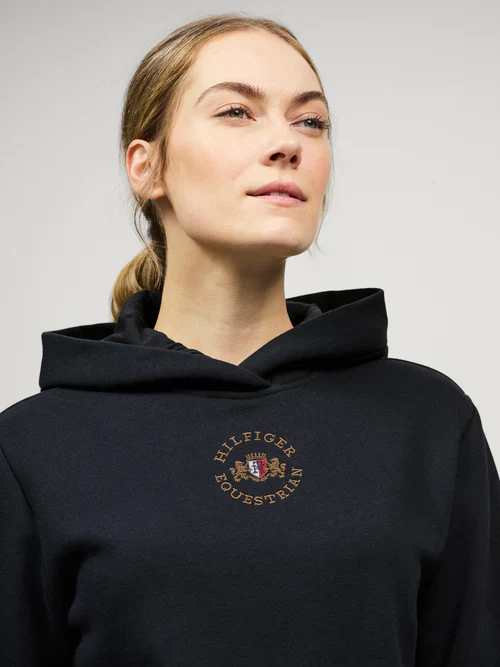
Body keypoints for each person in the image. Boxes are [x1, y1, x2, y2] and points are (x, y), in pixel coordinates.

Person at [0, 12, 499, 667]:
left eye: (310, 121)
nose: (287, 143)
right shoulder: (32, 448)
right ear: (147, 168)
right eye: (237, 111)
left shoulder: (429, 421)